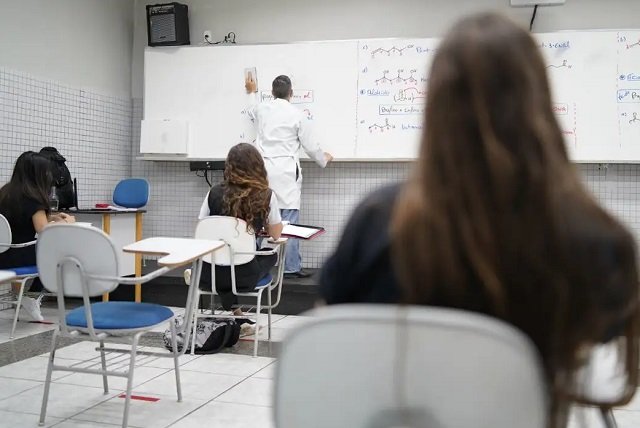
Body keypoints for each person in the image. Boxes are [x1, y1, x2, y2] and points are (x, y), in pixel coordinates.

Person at [319, 13, 639, 427]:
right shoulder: (599, 241)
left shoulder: (379, 222)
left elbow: (332, 338)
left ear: (436, 107)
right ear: (539, 103)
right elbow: (600, 355)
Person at [186, 143, 283, 334]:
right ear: (258, 166)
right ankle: (240, 318)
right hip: (244, 276)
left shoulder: (213, 192)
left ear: (229, 166)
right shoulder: (266, 195)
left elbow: (202, 227)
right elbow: (276, 234)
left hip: (209, 273)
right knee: (270, 254)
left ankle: (238, 315)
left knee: (225, 259)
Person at [245, 74, 333, 278]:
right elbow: (310, 146)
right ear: (291, 93)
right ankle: (291, 267)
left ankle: (251, 263)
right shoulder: (297, 115)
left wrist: (251, 92)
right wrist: (324, 159)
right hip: (286, 172)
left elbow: (251, 110)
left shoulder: (262, 109)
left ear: (272, 92)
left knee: (260, 217)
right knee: (289, 222)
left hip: (264, 172)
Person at [0, 151, 75, 321]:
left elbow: (20, 220)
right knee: (58, 255)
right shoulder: (33, 198)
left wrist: (53, 218)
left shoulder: (4, 193)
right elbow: (44, 230)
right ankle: (31, 296)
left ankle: (23, 296)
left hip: (2, 255)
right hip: (19, 259)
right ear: (39, 174)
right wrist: (67, 221)